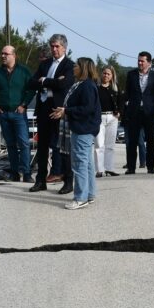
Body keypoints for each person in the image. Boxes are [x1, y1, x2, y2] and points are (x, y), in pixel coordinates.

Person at [51, 57, 100, 210]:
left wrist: (67, 111)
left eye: (76, 66)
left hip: (83, 129)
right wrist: (65, 111)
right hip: (83, 128)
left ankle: (80, 198)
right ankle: (89, 194)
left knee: (80, 164)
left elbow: (87, 108)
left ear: (84, 68)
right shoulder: (82, 84)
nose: (74, 68)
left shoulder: (86, 86)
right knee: (87, 164)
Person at [28, 34, 75, 193]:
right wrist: (46, 81)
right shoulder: (45, 63)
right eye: (52, 46)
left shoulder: (69, 65)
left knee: (62, 146)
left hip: (59, 110)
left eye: (57, 46)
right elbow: (31, 82)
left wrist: (44, 81)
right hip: (43, 107)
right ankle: (41, 180)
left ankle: (68, 181)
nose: (54, 49)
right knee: (42, 146)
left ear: (64, 48)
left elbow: (64, 84)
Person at [0, 46, 34, 182]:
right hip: (4, 114)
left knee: (24, 143)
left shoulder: (24, 71)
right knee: (10, 144)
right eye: (1, 53)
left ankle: (26, 173)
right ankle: (15, 172)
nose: (3, 56)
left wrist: (24, 105)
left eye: (6, 54)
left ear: (14, 55)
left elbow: (31, 90)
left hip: (18, 114)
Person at [123, 51, 154, 174]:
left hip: (149, 112)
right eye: (138, 60)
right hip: (134, 112)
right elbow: (127, 92)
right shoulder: (131, 75)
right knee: (132, 141)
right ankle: (131, 167)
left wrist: (149, 104)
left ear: (149, 63)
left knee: (150, 141)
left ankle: (150, 167)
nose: (139, 63)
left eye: (142, 61)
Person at [95, 66, 122, 177]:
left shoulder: (115, 88)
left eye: (108, 74)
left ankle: (109, 168)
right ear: (101, 74)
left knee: (110, 145)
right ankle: (99, 170)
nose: (106, 75)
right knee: (99, 144)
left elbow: (121, 100)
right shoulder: (96, 88)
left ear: (112, 76)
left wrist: (119, 111)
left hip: (112, 118)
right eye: (104, 73)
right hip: (99, 118)